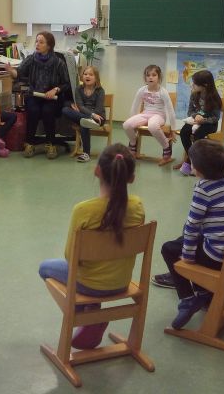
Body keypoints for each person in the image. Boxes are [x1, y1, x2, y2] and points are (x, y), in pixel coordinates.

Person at [38, 143, 144, 349]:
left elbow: (71, 257)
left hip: (89, 284)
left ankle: (90, 317)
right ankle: (92, 315)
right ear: (131, 178)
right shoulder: (137, 206)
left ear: (97, 171)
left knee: (45, 267)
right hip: (121, 282)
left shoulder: (84, 210)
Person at [156, 139, 224, 329]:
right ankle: (204, 292)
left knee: (169, 249)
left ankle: (188, 298)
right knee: (183, 240)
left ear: (197, 169)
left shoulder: (203, 189)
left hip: (218, 257)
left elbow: (192, 225)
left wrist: (188, 256)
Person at [6, 31, 71, 159]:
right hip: (34, 95)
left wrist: (55, 90)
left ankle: (51, 144)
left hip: (52, 97)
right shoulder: (31, 59)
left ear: (49, 45)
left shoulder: (58, 62)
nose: (37, 44)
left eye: (41, 42)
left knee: (48, 111)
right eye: (37, 41)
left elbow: (66, 83)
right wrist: (11, 71)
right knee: (33, 111)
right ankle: (29, 143)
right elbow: (19, 73)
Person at [122, 64, 176, 161]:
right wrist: (133, 123)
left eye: (154, 75)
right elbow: (134, 106)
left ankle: (166, 145)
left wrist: (173, 129)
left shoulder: (163, 91)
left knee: (152, 126)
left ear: (159, 77)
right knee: (126, 125)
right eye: (148, 75)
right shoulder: (142, 90)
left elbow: (170, 110)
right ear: (145, 77)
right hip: (145, 114)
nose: (151, 77)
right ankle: (133, 143)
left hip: (159, 115)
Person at [174, 70, 222, 176]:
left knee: (198, 135)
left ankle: (191, 162)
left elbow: (216, 118)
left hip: (209, 124)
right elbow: (190, 111)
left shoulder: (214, 98)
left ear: (205, 85)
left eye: (195, 83)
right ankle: (192, 160)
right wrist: (196, 116)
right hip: (195, 121)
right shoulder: (194, 95)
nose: (193, 85)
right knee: (184, 132)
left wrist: (203, 120)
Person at [62, 65, 106, 162]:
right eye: (85, 74)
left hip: (98, 118)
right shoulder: (79, 89)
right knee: (66, 110)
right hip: (87, 116)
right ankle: (86, 154)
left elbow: (98, 110)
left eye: (91, 74)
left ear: (96, 77)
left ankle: (86, 154)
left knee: (83, 123)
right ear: (82, 77)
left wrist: (91, 115)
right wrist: (90, 115)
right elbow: (80, 106)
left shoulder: (100, 91)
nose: (87, 76)